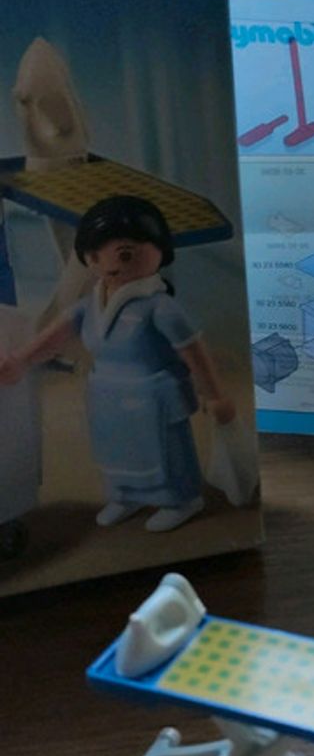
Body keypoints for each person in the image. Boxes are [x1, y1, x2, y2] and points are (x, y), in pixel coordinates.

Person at [0, 194, 236, 532]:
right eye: (95, 255)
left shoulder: (160, 307)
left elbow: (193, 351)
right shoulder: (91, 303)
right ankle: (125, 495)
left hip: (154, 394)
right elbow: (55, 334)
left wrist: (215, 395)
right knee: (116, 450)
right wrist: (22, 360)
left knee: (165, 452)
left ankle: (181, 498)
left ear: (158, 249)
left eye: (125, 253)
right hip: (107, 394)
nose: (110, 264)